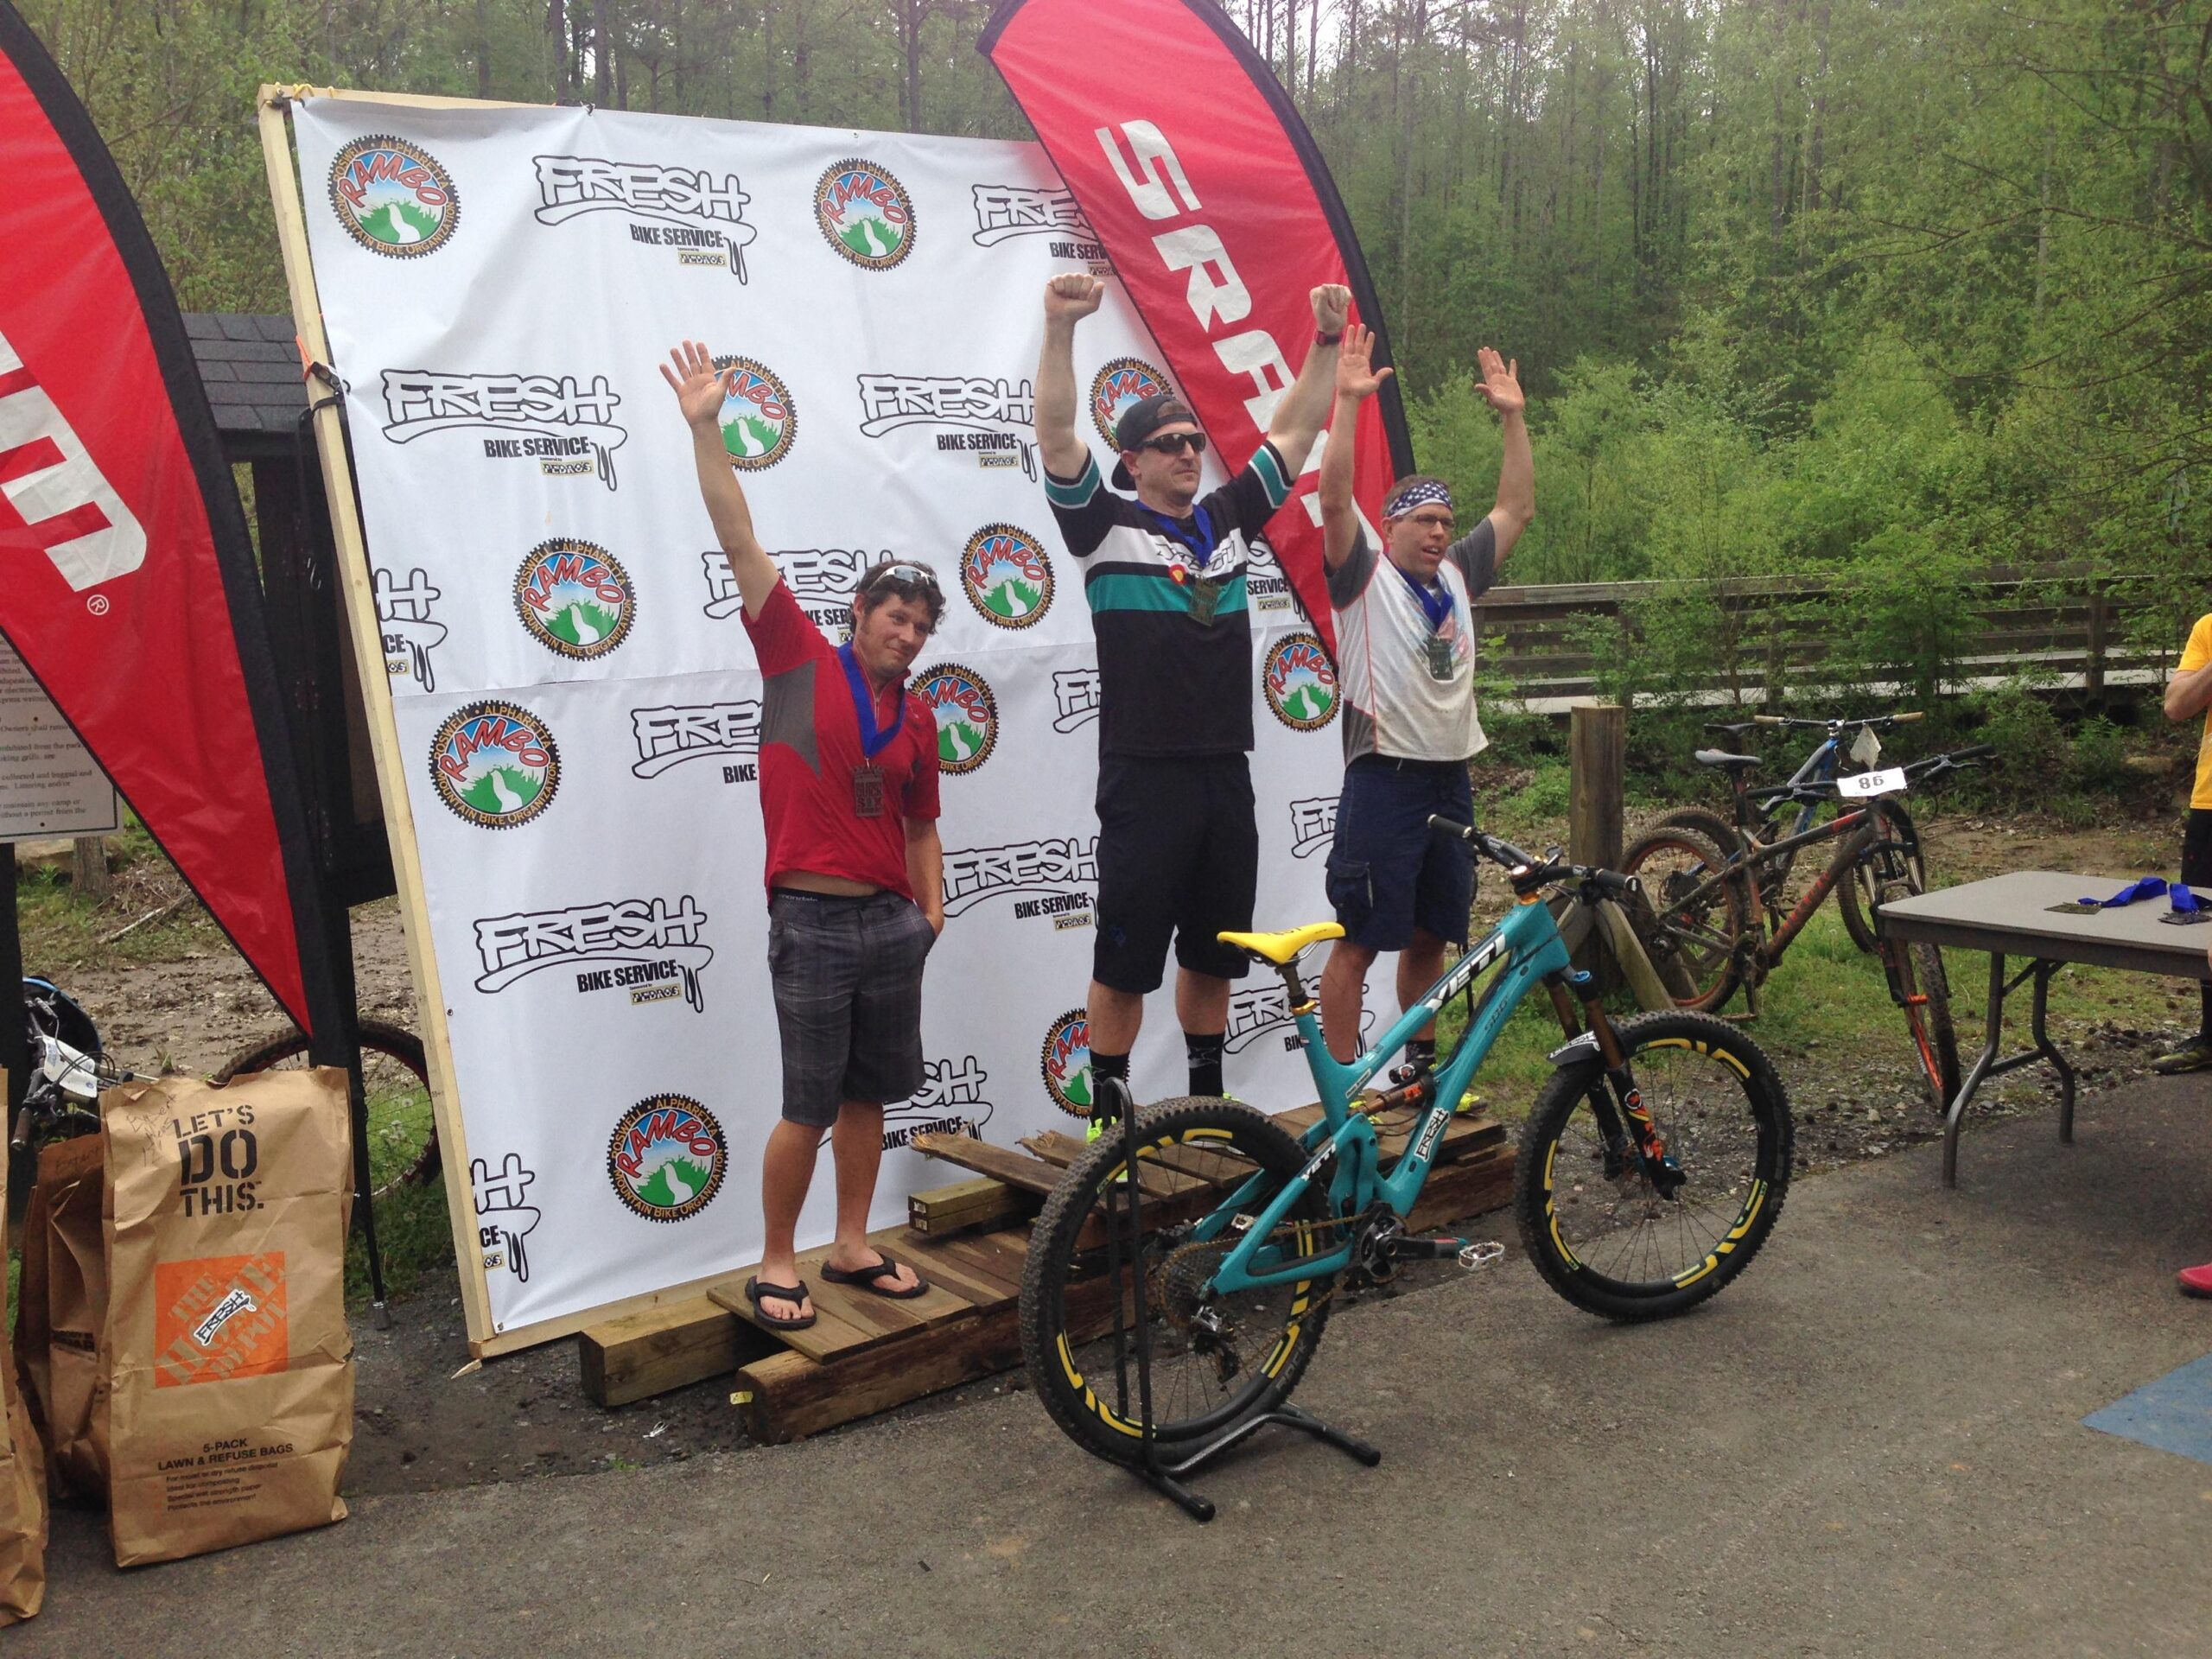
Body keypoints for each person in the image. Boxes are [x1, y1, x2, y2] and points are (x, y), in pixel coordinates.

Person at [663, 340, 943, 1331]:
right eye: (894, 617)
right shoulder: (793, 658)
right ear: (857, 613)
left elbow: (921, 823)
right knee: (808, 1106)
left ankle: (854, 1245)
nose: (906, 637)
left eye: (921, 628)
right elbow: (736, 533)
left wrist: (931, 911)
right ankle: (778, 1260)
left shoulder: (916, 715)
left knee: (871, 1098)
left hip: (889, 929)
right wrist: (707, 428)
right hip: (813, 922)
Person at [1034, 276, 1347, 1128]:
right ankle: (1107, 1114)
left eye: (1191, 441)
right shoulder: (1100, 525)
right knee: (1125, 960)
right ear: (1132, 461)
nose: (1186, 452)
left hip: (1223, 774)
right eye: (1167, 443)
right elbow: (1057, 432)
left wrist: (1323, 342)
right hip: (1143, 776)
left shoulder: (1227, 522)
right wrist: (1060, 329)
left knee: (1212, 955)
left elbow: (1293, 429)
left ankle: (1206, 1105)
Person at [1313, 324, 1533, 1070]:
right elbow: (1334, 497)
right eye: (1424, 521)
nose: (1440, 532)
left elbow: (1516, 511)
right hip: (1385, 778)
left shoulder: (1460, 576)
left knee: (1431, 933)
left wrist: (1513, 416)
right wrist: (1347, 403)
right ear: (1391, 526)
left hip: (1452, 777)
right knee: (1361, 939)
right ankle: (1342, 1086)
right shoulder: (1362, 576)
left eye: (1445, 520)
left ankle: (1418, 1069)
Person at [2157, 607, 2212, 1083]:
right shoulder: (2208, 628)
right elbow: (2176, 706)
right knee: (2206, 921)